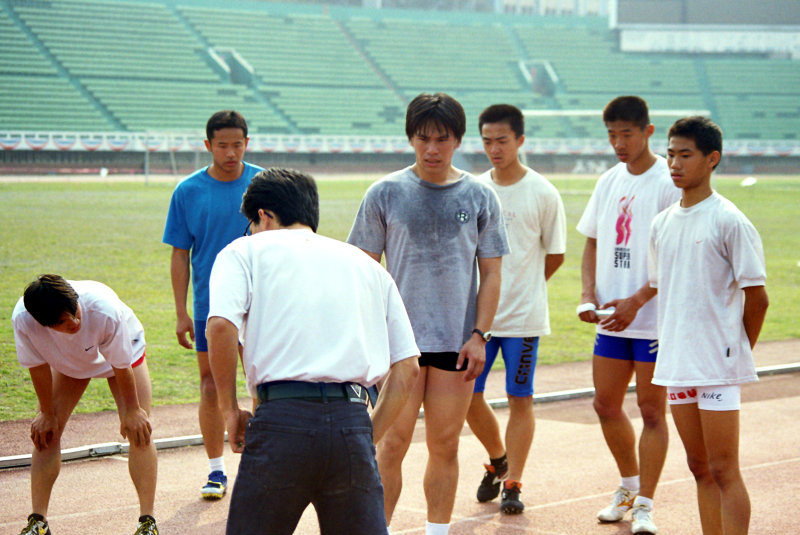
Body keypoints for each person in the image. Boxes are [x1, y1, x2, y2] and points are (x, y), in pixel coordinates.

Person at [205, 167, 420, 534]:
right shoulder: (367, 267)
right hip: (351, 423)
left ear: (263, 216)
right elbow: (408, 368)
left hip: (281, 422)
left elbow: (221, 326)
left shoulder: (243, 251)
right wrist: (366, 436)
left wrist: (228, 409)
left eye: (253, 224)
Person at [347, 92, 510, 535]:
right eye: (423, 139)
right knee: (391, 443)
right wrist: (368, 334)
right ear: (410, 139)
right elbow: (361, 269)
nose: (432, 149)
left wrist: (480, 334)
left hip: (456, 344)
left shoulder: (479, 196)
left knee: (444, 445)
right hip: (399, 346)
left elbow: (492, 273)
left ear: (458, 140)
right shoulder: (384, 193)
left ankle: (436, 531)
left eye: (442, 139)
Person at [649, 117, 768, 535]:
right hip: (679, 363)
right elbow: (668, 291)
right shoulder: (662, 223)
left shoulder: (729, 221)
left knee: (724, 469)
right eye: (671, 154)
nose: (675, 163)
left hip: (717, 366)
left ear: (711, 159)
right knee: (698, 467)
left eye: (686, 155)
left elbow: (758, 298)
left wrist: (735, 351)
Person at [576, 96, 680, 534]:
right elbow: (593, 242)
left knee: (652, 411)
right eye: (612, 135)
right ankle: (629, 486)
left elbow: (674, 257)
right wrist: (587, 295)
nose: (619, 143)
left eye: (627, 134)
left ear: (648, 132)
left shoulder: (667, 182)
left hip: (653, 318)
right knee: (605, 404)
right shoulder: (608, 181)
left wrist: (638, 300)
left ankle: (646, 506)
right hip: (612, 318)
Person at [466, 104, 567, 514]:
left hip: (523, 319)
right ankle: (497, 457)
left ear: (520, 140)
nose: (494, 148)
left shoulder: (542, 192)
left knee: (519, 397)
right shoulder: (473, 189)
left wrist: (525, 288)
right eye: (487, 141)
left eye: (502, 141)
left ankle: (513, 482)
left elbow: (556, 255)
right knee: (467, 396)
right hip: (478, 322)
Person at [162, 109, 263, 500]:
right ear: (208, 146)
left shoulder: (263, 184)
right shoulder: (187, 191)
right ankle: (216, 470)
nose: (231, 152)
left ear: (247, 143)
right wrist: (181, 311)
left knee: (261, 381)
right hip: (211, 307)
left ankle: (258, 467)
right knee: (211, 386)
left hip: (259, 304)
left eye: (238, 144)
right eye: (222, 145)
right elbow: (179, 254)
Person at [11, 275, 159, 535]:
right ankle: (38, 522)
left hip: (124, 354)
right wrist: (46, 413)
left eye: (75, 313)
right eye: (61, 322)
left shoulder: (103, 310)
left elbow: (121, 366)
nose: (74, 322)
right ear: (42, 323)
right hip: (70, 361)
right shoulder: (24, 320)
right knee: (47, 433)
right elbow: (37, 366)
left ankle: (147, 523)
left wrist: (133, 410)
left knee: (140, 430)